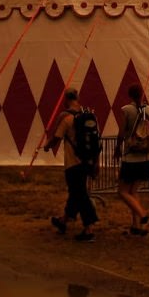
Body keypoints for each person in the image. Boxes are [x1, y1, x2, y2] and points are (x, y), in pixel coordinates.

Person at [44, 88, 98, 242]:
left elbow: (57, 137)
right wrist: (95, 162)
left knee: (80, 194)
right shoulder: (88, 115)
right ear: (78, 97)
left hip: (73, 162)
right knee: (76, 192)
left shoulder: (66, 118)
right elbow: (96, 141)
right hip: (87, 160)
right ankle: (63, 221)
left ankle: (89, 229)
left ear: (66, 99)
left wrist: (47, 146)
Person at [115, 83, 149, 235]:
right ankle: (136, 226)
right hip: (146, 157)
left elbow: (121, 133)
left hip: (131, 157)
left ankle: (145, 216)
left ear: (129, 95)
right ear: (143, 94)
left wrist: (117, 148)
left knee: (122, 191)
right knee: (133, 191)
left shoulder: (126, 110)